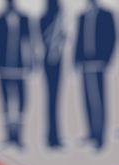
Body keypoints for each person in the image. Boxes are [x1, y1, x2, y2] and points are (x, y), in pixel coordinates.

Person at [0, 0, 34, 148]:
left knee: (21, 103)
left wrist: (31, 64)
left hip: (20, 69)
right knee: (5, 103)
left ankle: (18, 137)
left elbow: (29, 42)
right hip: (2, 68)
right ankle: (8, 136)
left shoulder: (24, 20)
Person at [74, 0, 116, 150]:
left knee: (98, 101)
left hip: (98, 64)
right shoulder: (82, 16)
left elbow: (112, 37)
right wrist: (75, 60)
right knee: (87, 100)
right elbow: (78, 39)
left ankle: (100, 137)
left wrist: (106, 60)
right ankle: (91, 133)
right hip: (85, 65)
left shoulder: (106, 15)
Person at [39, 0, 66, 149]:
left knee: (54, 100)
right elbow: (45, 40)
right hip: (51, 62)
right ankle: (52, 137)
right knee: (52, 100)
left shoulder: (52, 19)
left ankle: (53, 135)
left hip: (56, 62)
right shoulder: (49, 20)